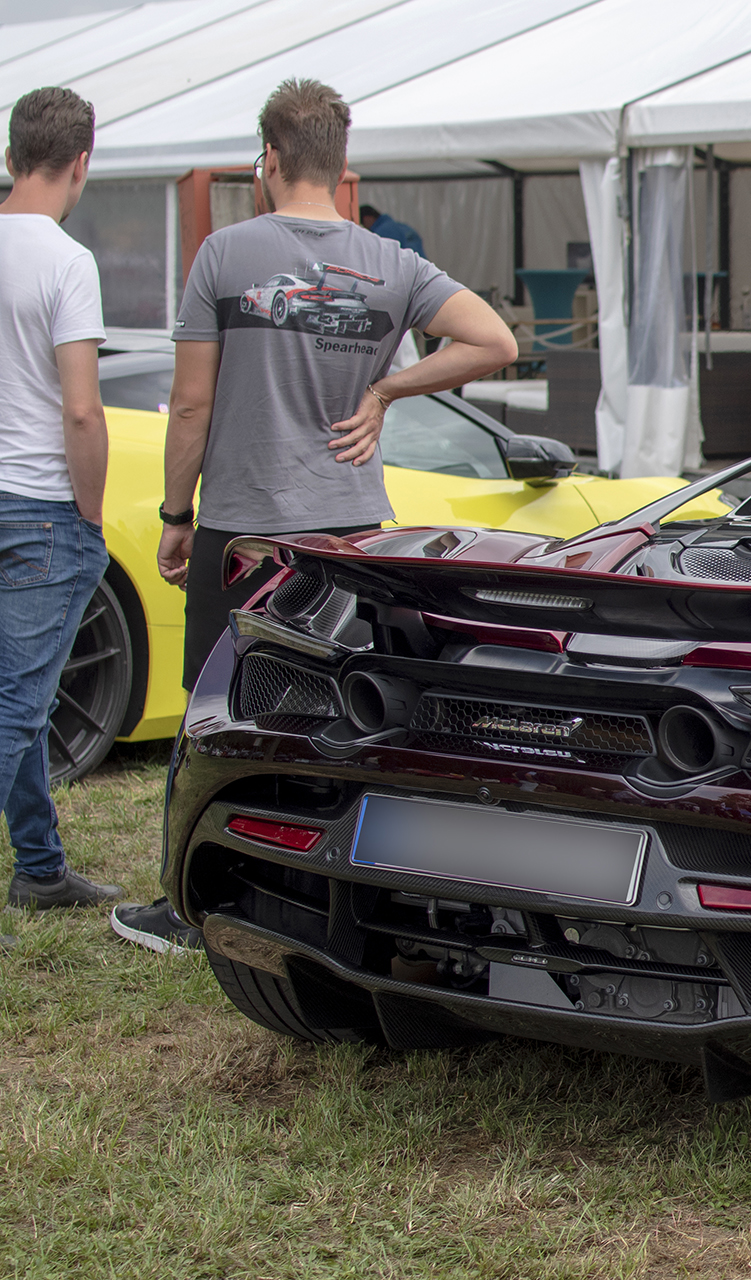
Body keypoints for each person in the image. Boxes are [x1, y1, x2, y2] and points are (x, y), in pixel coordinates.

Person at [109, 79, 516, 956]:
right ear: (339, 168)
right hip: (354, 531)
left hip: (246, 527)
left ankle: (195, 908)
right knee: (350, 712)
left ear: (269, 159)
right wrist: (386, 387)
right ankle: (356, 899)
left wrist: (176, 514)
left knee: (222, 713)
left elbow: (189, 407)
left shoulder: (223, 252)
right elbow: (496, 342)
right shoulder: (394, 265)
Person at [0, 87, 122, 925]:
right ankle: (38, 866)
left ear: (11, 155)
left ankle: (40, 866)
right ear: (81, 163)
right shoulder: (66, 261)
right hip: (42, 504)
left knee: (19, 697)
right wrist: (90, 512)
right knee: (19, 703)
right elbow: (82, 408)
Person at [358, 203, 424, 256]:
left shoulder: (382, 233)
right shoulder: (401, 226)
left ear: (367, 218)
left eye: (363, 224)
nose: (365, 228)